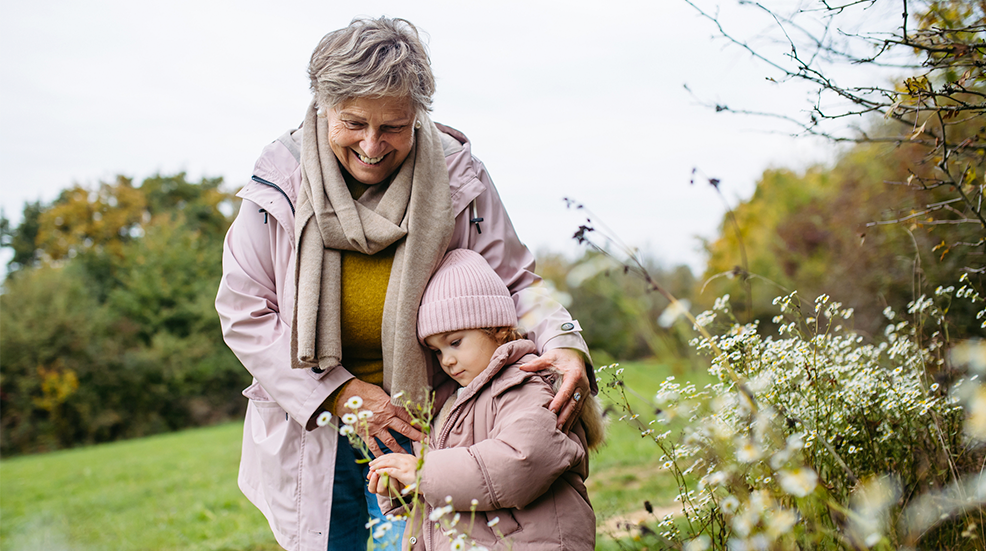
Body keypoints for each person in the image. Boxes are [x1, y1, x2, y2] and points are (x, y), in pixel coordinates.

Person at [215, 16, 594, 551]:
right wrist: (343, 395)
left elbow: (515, 282)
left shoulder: (460, 175)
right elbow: (244, 311)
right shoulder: (279, 182)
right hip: (314, 423)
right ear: (323, 109)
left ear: (418, 115)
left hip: (434, 427)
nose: (373, 145)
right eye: (354, 123)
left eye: (392, 125)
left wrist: (564, 342)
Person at [367, 249, 602, 550]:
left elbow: (524, 461)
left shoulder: (524, 384)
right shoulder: (450, 403)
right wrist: (403, 487)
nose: (447, 360)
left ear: (497, 328)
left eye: (455, 342)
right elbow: (446, 487)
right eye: (437, 351)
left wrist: (423, 473)